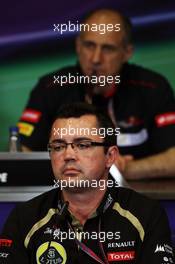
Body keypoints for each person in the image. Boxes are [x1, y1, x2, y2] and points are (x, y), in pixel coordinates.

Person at [1, 103, 174, 263]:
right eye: (58, 146)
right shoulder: (24, 218)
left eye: (83, 145)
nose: (68, 155)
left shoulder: (146, 214)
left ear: (110, 156)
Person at [18, 8, 175, 180]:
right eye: (89, 46)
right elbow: (21, 154)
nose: (95, 59)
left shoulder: (153, 87)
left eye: (108, 48)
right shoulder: (51, 87)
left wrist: (125, 169)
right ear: (78, 46)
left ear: (127, 52)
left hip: (137, 198)